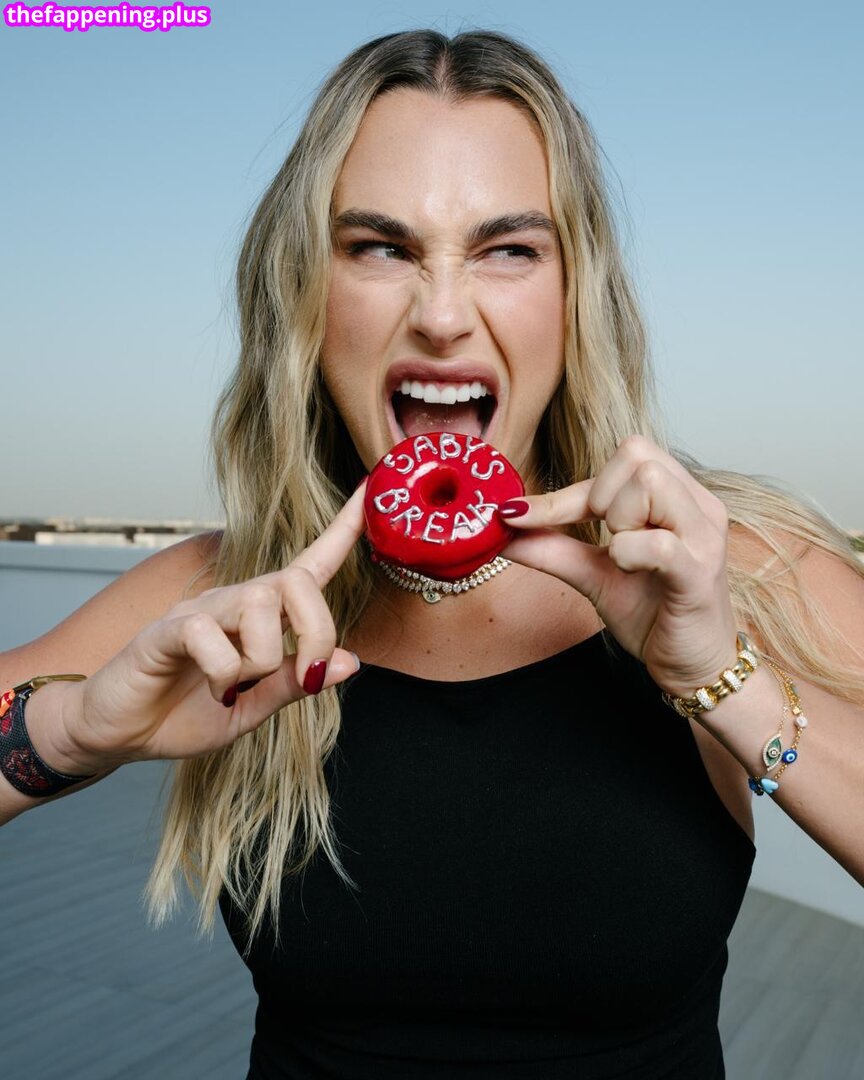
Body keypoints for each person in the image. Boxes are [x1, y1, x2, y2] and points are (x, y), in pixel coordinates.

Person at [1, 28, 862, 1079]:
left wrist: (723, 678)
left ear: (575, 293)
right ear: (305, 295)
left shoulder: (734, 564)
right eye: (380, 247)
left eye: (509, 249)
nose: (444, 316)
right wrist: (73, 730)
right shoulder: (220, 597)